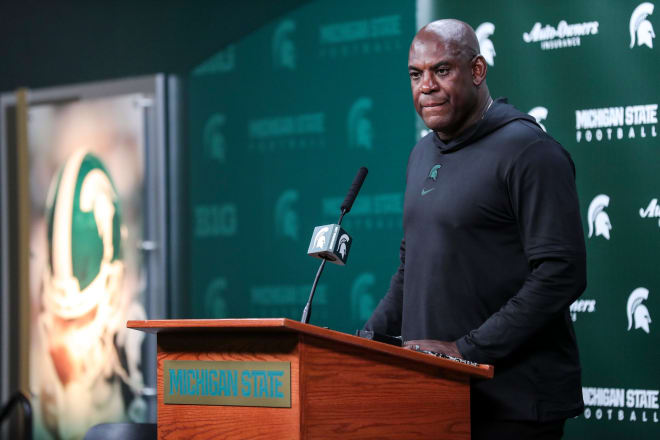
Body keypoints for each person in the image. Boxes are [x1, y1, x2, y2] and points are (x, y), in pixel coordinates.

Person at [364, 19, 586, 439]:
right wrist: (368, 338)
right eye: (416, 74)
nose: (426, 85)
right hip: (434, 395)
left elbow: (562, 272)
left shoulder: (530, 152)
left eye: (441, 70)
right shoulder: (421, 153)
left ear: (477, 71)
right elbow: (413, 264)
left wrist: (467, 351)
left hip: (513, 404)